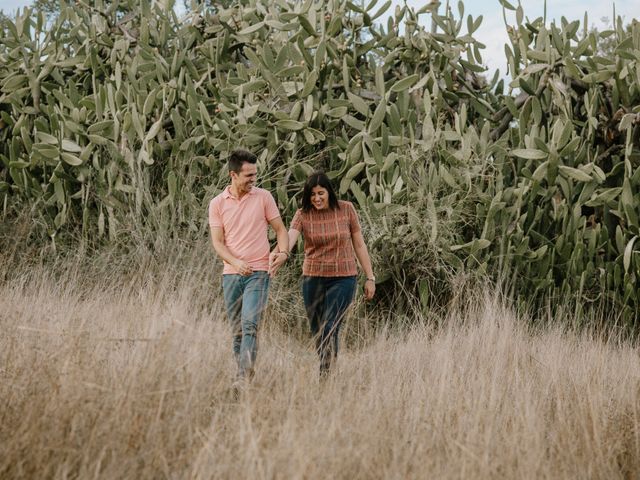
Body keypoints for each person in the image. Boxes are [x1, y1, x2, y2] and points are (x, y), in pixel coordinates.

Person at [270, 171, 375, 376]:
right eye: (312, 194)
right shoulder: (303, 214)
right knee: (319, 330)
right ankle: (330, 366)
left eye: (320, 193)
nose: (316, 198)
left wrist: (370, 277)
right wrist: (280, 254)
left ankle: (325, 374)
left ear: (329, 192)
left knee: (330, 325)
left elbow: (359, 245)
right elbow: (290, 238)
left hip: (343, 277)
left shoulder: (346, 209)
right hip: (313, 278)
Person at [208, 149, 289, 386]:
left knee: (250, 325)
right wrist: (235, 262)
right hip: (232, 275)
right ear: (233, 175)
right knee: (237, 331)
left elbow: (281, 230)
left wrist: (283, 252)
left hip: (259, 273)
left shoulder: (264, 197)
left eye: (255, 174)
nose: (254, 180)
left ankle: (242, 378)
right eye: (249, 176)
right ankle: (243, 372)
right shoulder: (217, 204)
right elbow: (217, 243)